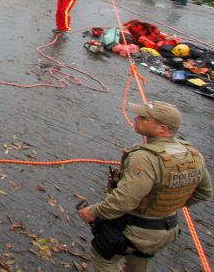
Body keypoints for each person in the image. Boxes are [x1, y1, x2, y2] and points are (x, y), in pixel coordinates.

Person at [77, 101, 211, 271]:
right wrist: (165, 206)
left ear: (161, 128)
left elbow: (123, 201)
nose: (136, 118)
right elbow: (204, 192)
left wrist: (93, 211)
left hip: (136, 228)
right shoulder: (194, 155)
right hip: (166, 229)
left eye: (143, 118)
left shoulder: (144, 158)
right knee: (138, 260)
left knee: (103, 258)